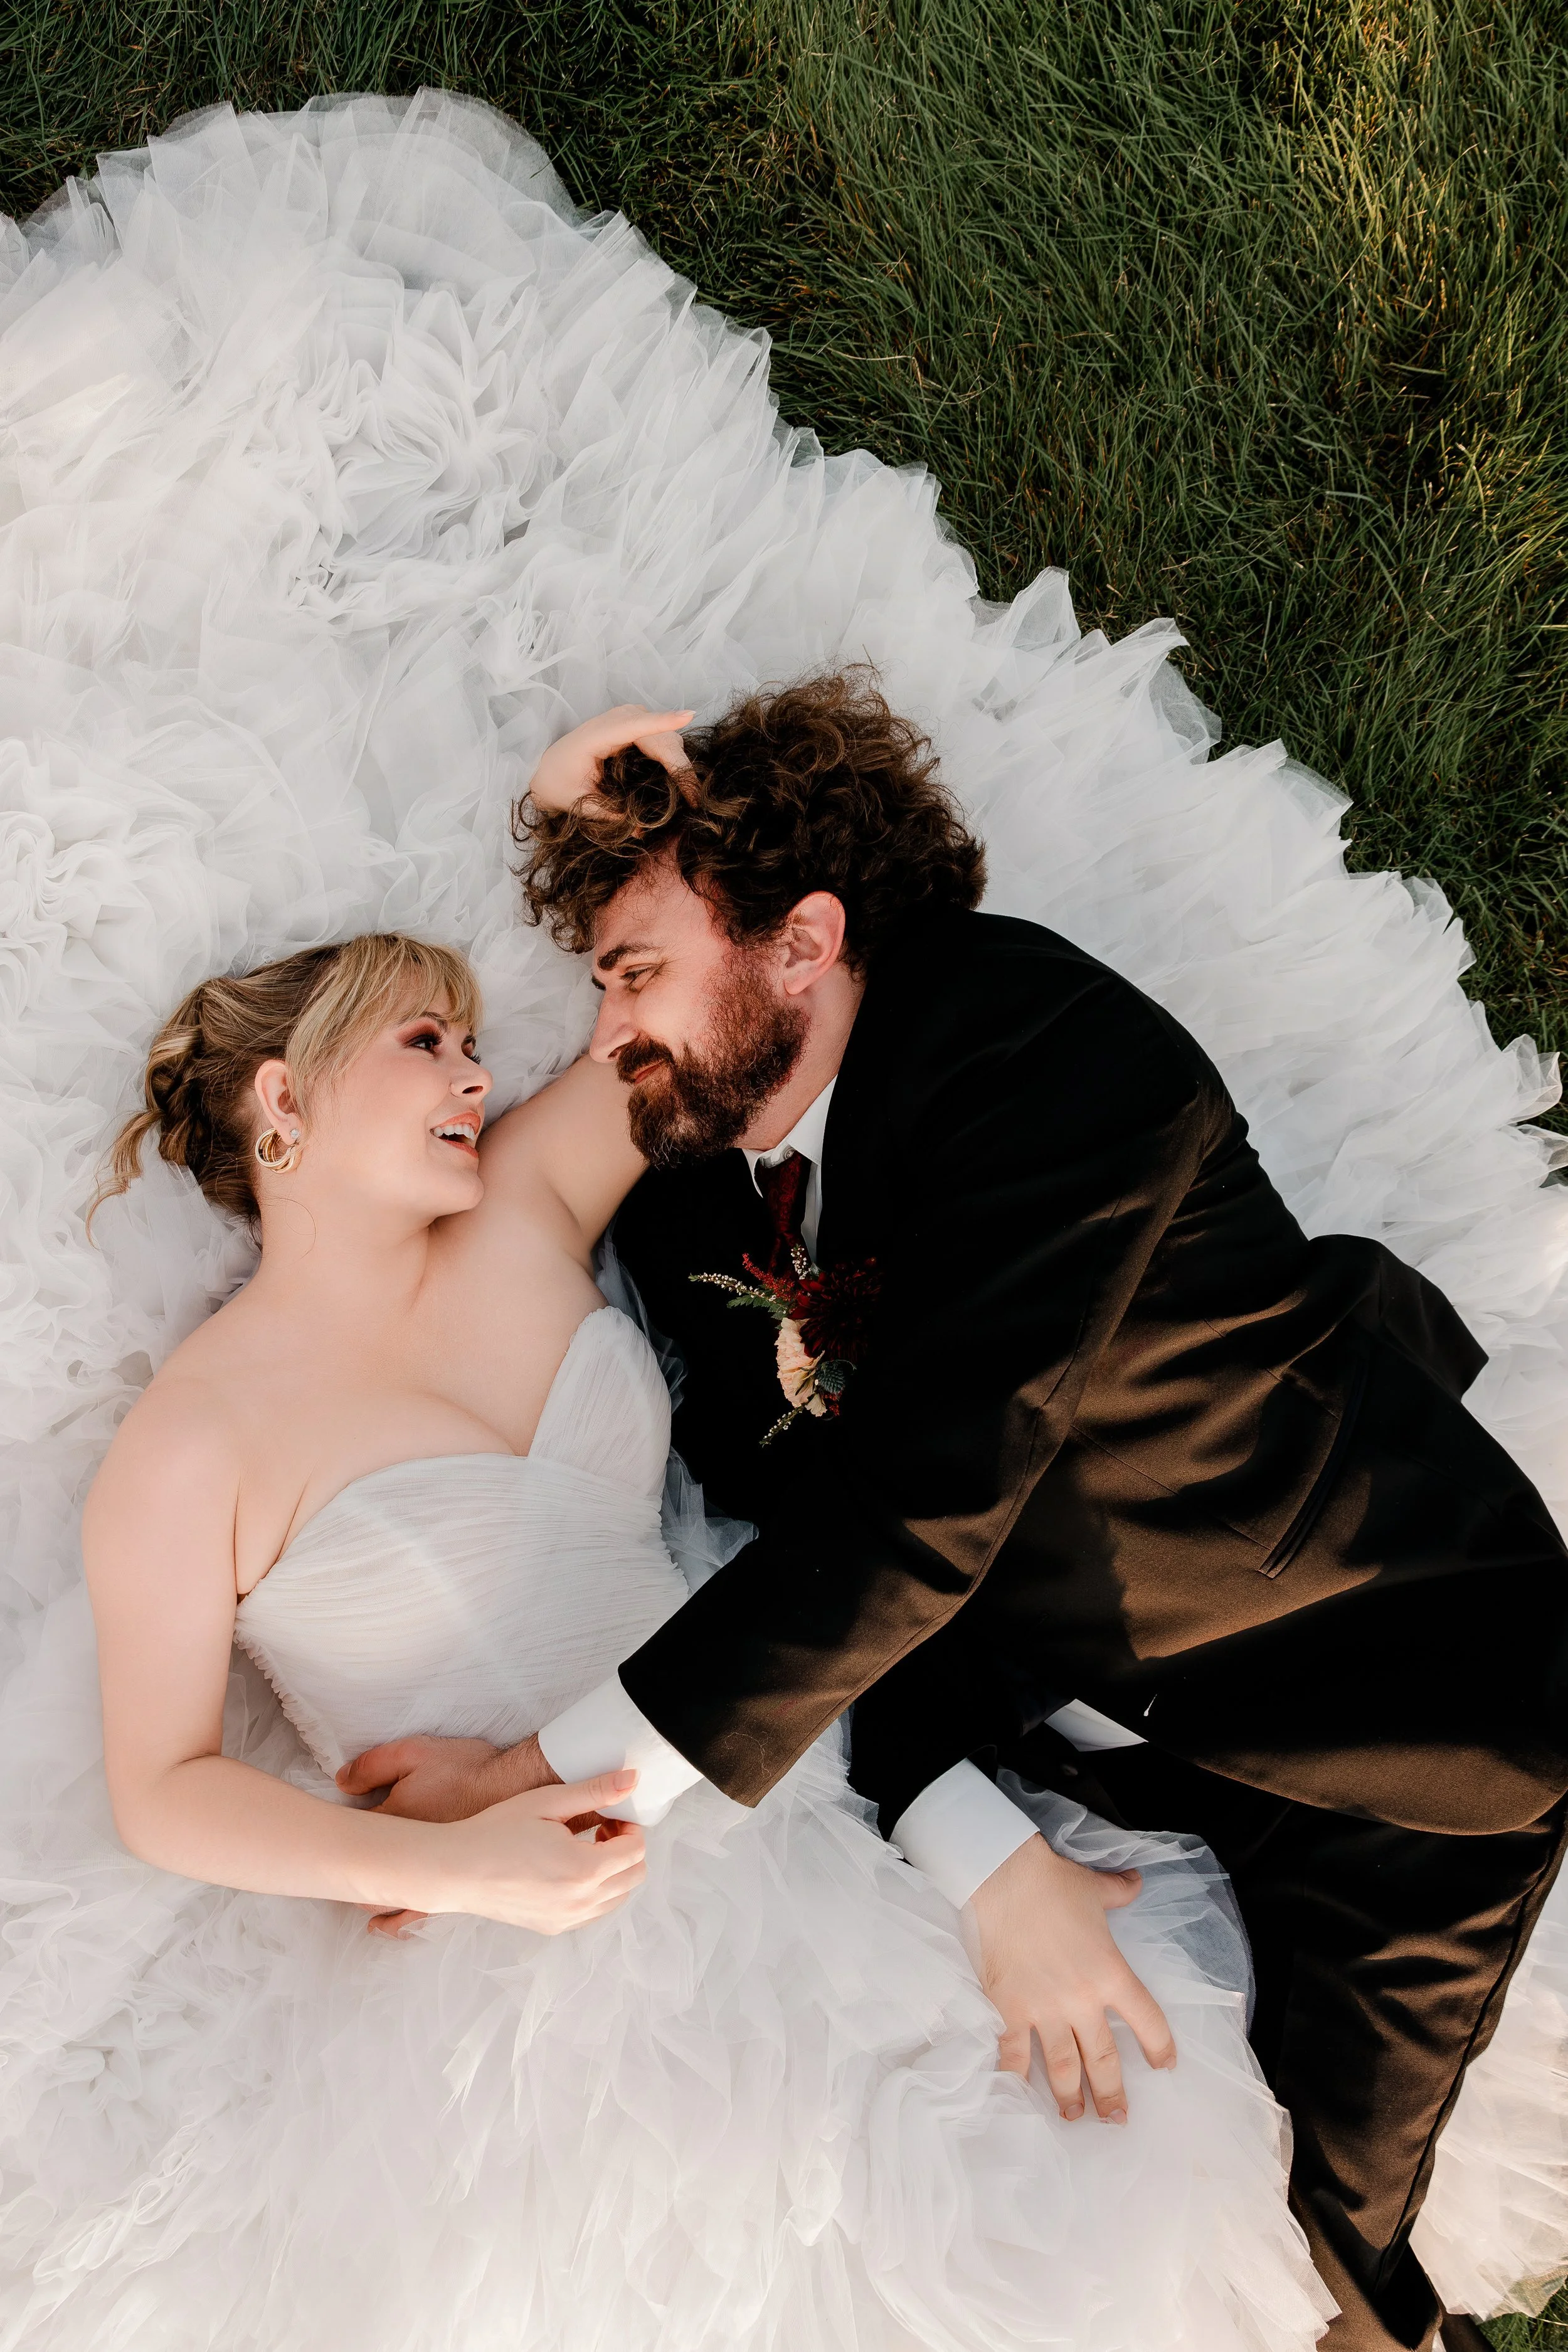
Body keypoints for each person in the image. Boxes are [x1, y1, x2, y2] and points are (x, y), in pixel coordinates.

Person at [353, 677, 1568, 2352]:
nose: (605, 1030)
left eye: (632, 972)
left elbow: (919, 1507)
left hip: (1389, 1691)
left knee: (1346, 2246)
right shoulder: (695, 1201)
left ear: (802, 937)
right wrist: (974, 1839)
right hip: (1047, 1699)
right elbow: (804, 1521)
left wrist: (532, 1778)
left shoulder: (1033, 1042)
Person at [13, 922, 1330, 2350]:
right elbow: (164, 1788)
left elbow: (701, 1012)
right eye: (424, 1044)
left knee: (1074, 2197)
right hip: (529, 1950)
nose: (477, 1074)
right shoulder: (192, 1439)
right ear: (282, 1096)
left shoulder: (519, 1203)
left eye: (467, 1040)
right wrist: (451, 1865)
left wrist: (598, 766)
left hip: (787, 1774)